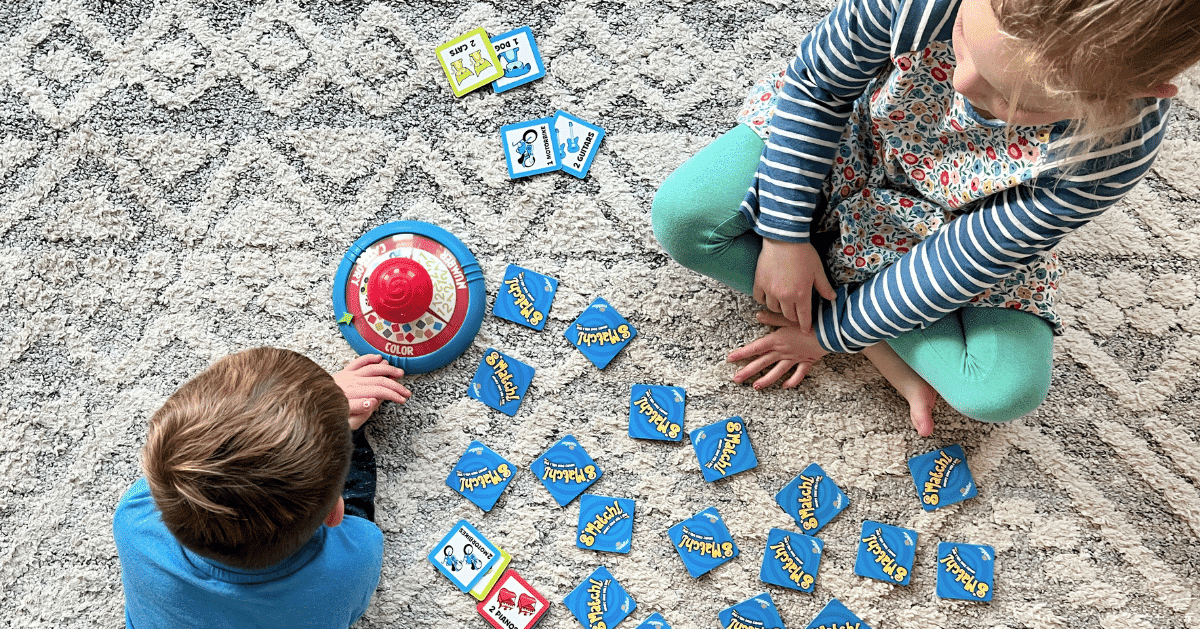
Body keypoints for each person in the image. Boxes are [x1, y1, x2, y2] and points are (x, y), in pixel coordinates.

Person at [652, 0, 1200, 436]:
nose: (963, 85)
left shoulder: (1110, 153)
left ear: (1130, 94)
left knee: (1001, 391)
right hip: (852, 137)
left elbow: (957, 262)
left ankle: (855, 313)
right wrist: (783, 235)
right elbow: (818, 90)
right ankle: (867, 323)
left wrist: (827, 335)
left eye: (1011, 101)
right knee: (683, 217)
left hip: (954, 223)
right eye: (964, 40)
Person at [113, 349, 410, 629]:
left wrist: (317, 411)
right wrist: (332, 417)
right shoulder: (353, 561)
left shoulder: (133, 518)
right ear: (334, 512)